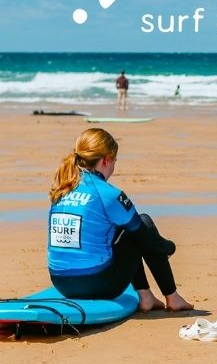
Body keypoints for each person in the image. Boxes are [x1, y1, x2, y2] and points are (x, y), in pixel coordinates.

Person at [47, 128, 192, 312]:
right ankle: (173, 298)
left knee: (121, 229)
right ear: (106, 160)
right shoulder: (107, 193)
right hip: (97, 284)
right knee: (142, 222)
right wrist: (169, 248)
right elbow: (144, 235)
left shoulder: (63, 188)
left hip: (61, 283)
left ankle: (146, 296)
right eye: (115, 160)